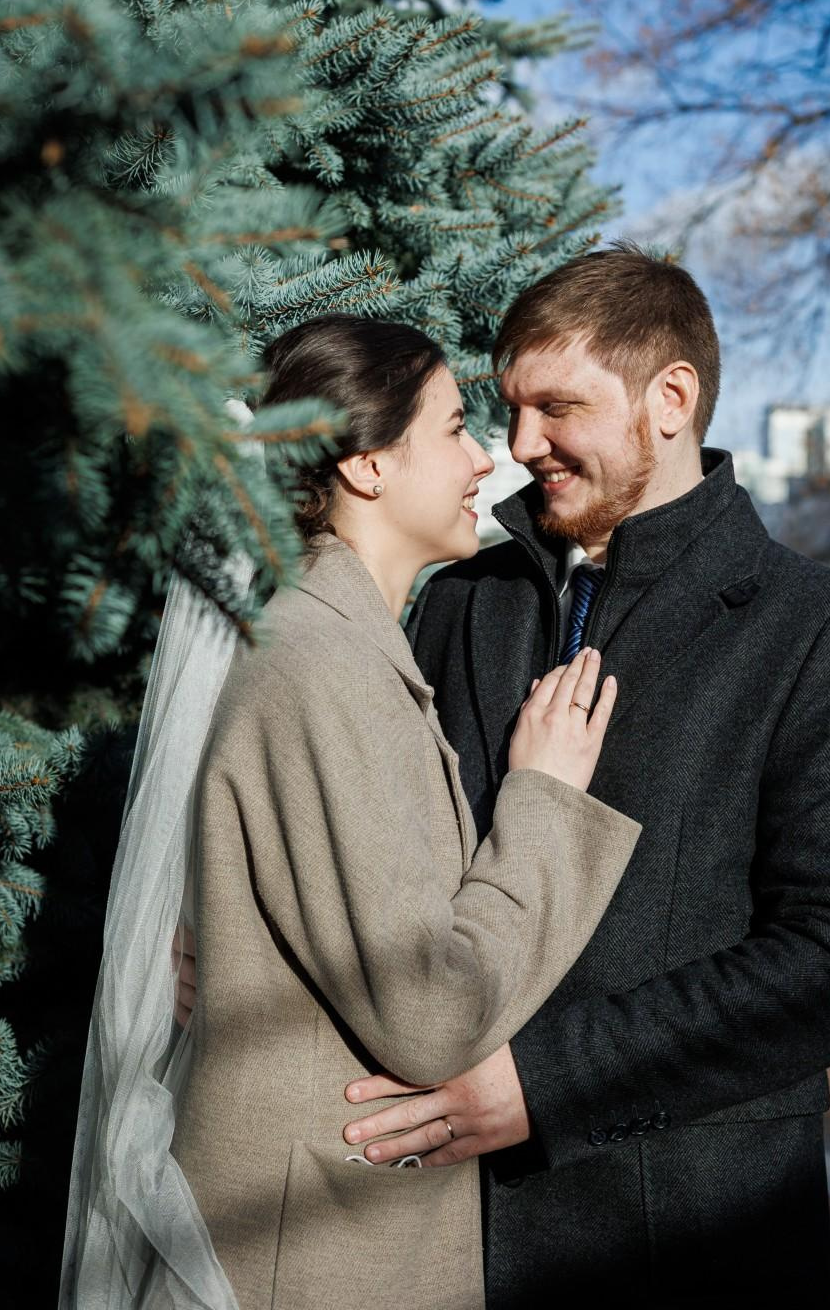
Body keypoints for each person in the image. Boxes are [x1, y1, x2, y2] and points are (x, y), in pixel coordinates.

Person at [334, 246, 830, 1309]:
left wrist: (550, 1083)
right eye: (508, 409)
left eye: (555, 407)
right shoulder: (466, 596)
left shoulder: (819, 629)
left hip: (684, 1232)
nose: (520, 445)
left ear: (669, 397)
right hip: (437, 1233)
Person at [63, 315, 641, 1310]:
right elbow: (427, 1012)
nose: (484, 456)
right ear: (369, 464)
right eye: (456, 426)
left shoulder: (329, 640)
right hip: (308, 1253)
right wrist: (543, 799)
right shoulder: (322, 663)